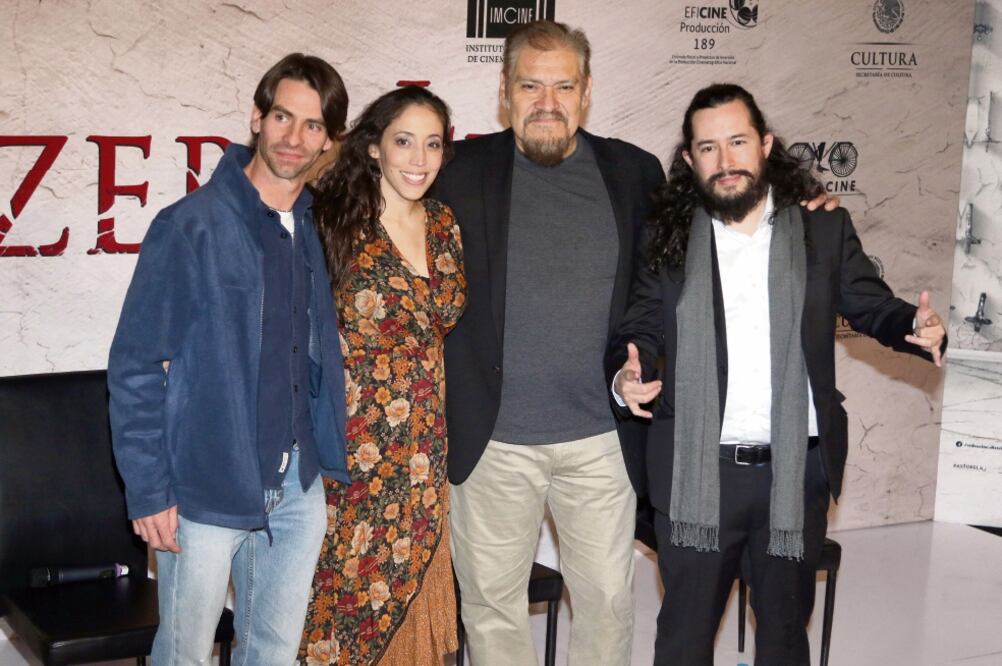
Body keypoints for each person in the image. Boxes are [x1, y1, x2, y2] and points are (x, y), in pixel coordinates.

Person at [607, 83, 947, 665]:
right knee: (683, 644)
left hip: (794, 473)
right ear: (689, 159)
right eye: (708, 148)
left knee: (786, 643)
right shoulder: (666, 235)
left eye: (738, 142)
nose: (726, 160)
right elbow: (640, 326)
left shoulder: (821, 228)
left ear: (765, 144)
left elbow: (871, 305)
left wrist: (913, 327)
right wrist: (626, 373)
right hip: (697, 472)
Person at [107, 54, 350, 665]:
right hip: (204, 487)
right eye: (282, 117)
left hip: (296, 487)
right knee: (184, 655)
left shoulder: (316, 228)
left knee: (273, 653)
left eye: (313, 125)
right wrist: (148, 490)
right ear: (256, 117)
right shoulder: (191, 226)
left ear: (329, 140)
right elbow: (136, 365)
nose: (294, 137)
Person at [300, 86, 466, 666]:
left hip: (426, 450)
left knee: (414, 617)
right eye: (404, 142)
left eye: (432, 144)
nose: (419, 159)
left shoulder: (444, 223)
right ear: (373, 147)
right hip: (355, 451)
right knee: (344, 607)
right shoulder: (332, 220)